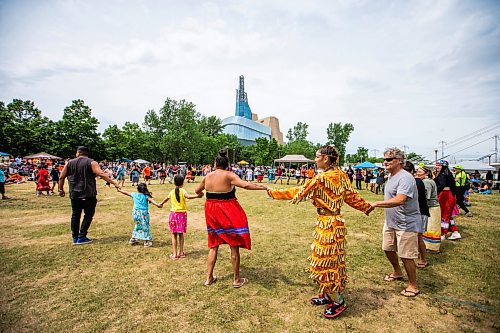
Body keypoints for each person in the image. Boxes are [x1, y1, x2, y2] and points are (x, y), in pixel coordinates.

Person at [267, 145, 373, 319]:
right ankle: (326, 294)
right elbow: (352, 197)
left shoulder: (321, 178)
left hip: (329, 225)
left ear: (325, 158)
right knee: (328, 261)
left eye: (317, 156)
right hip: (332, 223)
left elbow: (299, 191)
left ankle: (338, 301)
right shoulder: (341, 175)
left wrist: (274, 193)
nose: (315, 159)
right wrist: (366, 207)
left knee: (325, 263)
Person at [194, 149, 268, 288]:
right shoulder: (229, 175)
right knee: (233, 244)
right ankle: (236, 280)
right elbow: (245, 185)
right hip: (227, 210)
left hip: (211, 211)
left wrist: (200, 194)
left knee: (213, 245)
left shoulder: (207, 176)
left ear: (215, 163)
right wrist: (263, 187)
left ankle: (209, 278)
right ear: (227, 164)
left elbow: (197, 191)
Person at [371, 148, 421, 298]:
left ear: (399, 160)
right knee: (387, 248)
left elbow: (400, 199)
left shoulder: (405, 177)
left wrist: (375, 204)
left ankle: (413, 285)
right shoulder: (391, 176)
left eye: (389, 159)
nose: (385, 162)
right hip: (391, 221)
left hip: (406, 223)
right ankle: (397, 272)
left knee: (406, 255)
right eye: (384, 159)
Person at [59, 146, 120, 245]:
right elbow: (102, 174)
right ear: (87, 153)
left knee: (75, 215)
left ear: (78, 153)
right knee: (88, 215)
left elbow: (61, 177)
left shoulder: (69, 163)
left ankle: (75, 237)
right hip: (88, 194)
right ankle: (82, 236)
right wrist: (114, 183)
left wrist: (60, 189)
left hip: (74, 194)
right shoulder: (92, 162)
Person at [160, 175, 203, 259]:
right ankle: (181, 252)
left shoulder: (172, 191)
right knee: (181, 234)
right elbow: (188, 197)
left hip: (173, 215)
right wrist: (197, 196)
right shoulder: (183, 191)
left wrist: (160, 204)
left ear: (174, 183)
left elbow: (165, 199)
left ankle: (174, 254)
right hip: (182, 215)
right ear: (182, 183)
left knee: (174, 235)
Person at [117, 183, 161, 247]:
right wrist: (158, 205)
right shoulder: (146, 196)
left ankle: (133, 239)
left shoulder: (134, 194)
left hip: (135, 213)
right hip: (143, 214)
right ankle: (146, 242)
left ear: (137, 189)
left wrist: (120, 190)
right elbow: (152, 200)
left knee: (138, 225)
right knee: (145, 226)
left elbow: (126, 193)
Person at [403, 162, 429, 269]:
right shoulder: (411, 181)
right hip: (413, 213)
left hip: (420, 213)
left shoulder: (416, 182)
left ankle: (423, 259)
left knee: (418, 237)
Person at [434, 160, 461, 241]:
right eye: (437, 165)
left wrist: (436, 191)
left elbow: (441, 185)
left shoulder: (443, 174)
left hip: (445, 196)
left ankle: (443, 234)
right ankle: (455, 232)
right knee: (447, 215)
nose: (437, 167)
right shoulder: (448, 174)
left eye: (439, 165)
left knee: (444, 215)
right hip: (450, 195)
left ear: (443, 166)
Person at [417, 167, 442, 253]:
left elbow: (426, 196)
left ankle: (432, 248)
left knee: (431, 227)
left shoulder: (426, 182)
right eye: (417, 171)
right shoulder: (427, 181)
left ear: (426, 173)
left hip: (431, 207)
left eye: (419, 172)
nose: (417, 173)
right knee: (430, 227)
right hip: (431, 207)